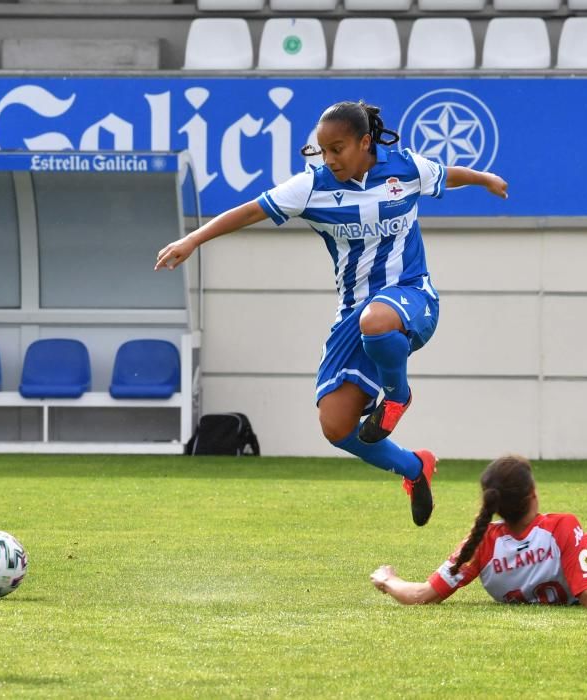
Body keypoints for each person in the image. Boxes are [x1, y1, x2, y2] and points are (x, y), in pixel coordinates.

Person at [156, 100, 508, 527]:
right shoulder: (312, 186)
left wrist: (483, 178)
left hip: (413, 297)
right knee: (336, 425)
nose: (330, 159)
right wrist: (193, 239)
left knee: (377, 321)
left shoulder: (405, 168)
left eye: (337, 148)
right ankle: (415, 469)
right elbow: (250, 209)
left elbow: (446, 174)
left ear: (364, 142)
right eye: (323, 151)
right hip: (354, 313)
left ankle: (397, 396)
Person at [370, 367, 587, 610]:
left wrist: (387, 580)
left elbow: (421, 594)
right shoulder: (559, 527)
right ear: (532, 495)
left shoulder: (480, 545)